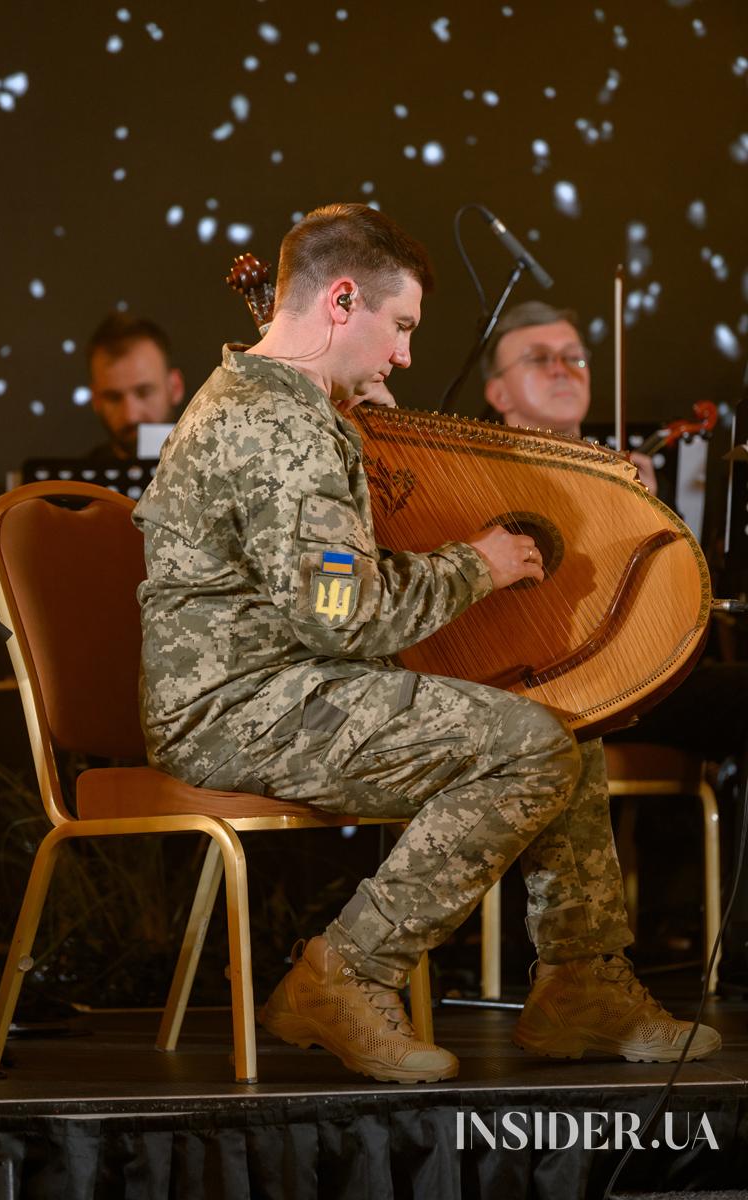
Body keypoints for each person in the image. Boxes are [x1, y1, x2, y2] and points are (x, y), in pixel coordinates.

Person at [133, 206, 719, 1084]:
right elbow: (344, 617)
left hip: (295, 683)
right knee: (527, 747)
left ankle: (578, 983)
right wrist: (477, 565)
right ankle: (345, 973)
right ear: (341, 299)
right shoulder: (279, 428)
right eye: (399, 326)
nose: (404, 354)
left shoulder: (292, 405)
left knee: (564, 716)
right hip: (242, 707)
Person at [483, 299, 748, 990]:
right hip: (541, 676)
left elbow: (680, 608)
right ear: (499, 392)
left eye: (575, 355)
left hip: (641, 672)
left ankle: (712, 934)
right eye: (539, 358)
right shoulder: (480, 473)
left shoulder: (629, 471)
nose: (564, 368)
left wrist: (652, 525)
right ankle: (542, 962)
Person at [86, 313, 185, 460]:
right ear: (95, 399)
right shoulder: (75, 482)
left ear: (175, 387)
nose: (131, 416)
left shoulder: (220, 473)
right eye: (113, 398)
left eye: (144, 392)